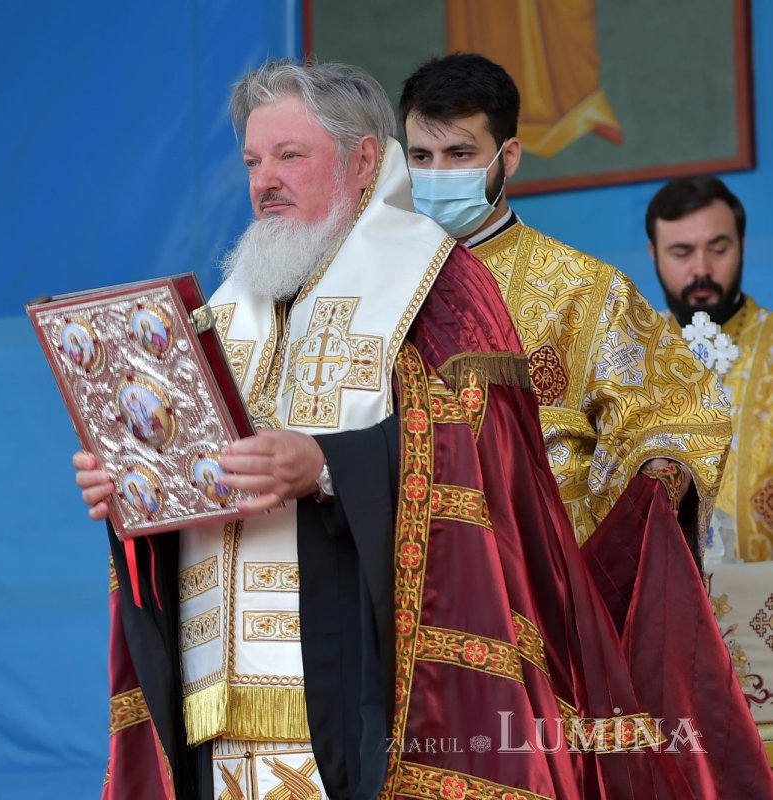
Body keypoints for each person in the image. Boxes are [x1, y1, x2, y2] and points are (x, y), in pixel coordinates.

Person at [75, 59, 769, 799]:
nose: (264, 180)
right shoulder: (232, 301)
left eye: (289, 156)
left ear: (365, 159)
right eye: (252, 160)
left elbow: (488, 456)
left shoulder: (440, 282)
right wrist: (135, 485)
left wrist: (327, 466)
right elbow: (203, 478)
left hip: (372, 685)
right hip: (223, 698)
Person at [399, 52, 732, 550]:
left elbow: (679, 414)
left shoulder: (586, 288)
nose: (437, 173)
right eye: (421, 157)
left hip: (550, 567)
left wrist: (659, 470)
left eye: (460, 154)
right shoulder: (385, 286)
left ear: (507, 157)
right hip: (419, 559)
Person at [647, 176, 773, 564]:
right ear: (654, 254)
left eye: (718, 249)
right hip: (666, 606)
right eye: (681, 252)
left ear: (742, 246)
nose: (701, 269)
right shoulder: (631, 362)